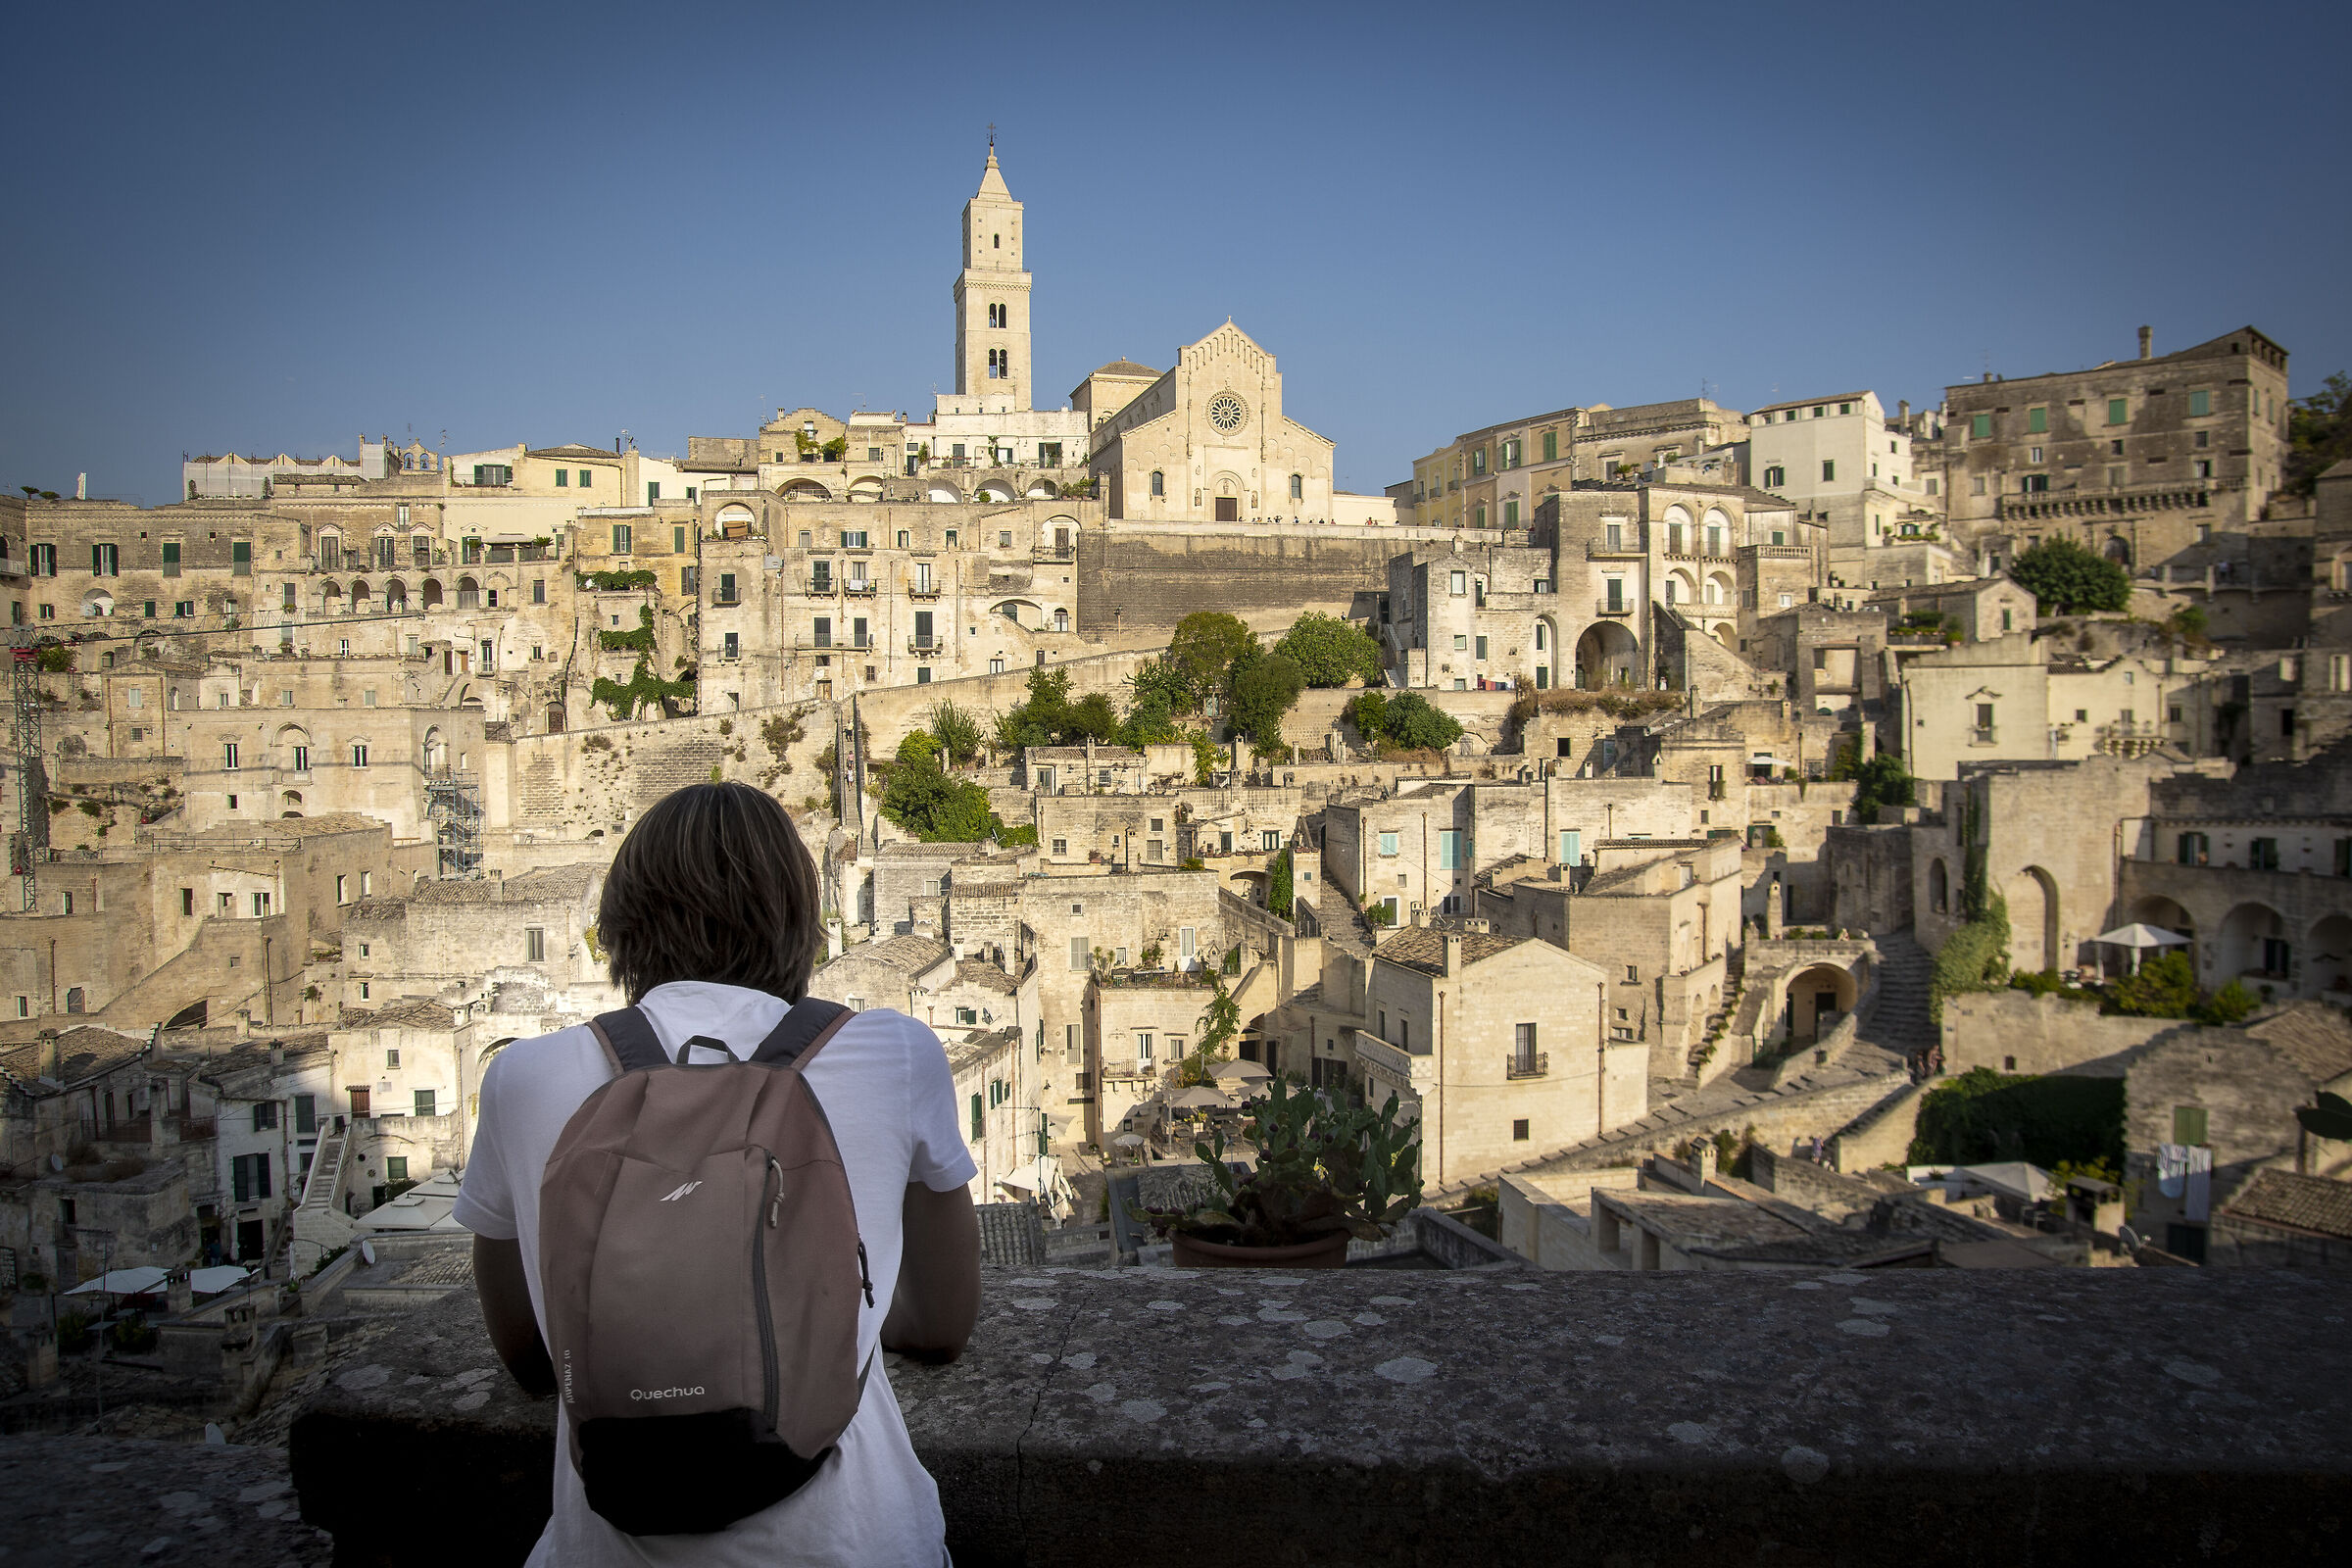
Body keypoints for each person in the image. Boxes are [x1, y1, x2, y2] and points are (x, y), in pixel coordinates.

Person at [455, 783, 981, 1566]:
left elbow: (531, 1353)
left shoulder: (522, 1079)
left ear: (621, 924)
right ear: (801, 921)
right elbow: (941, 1327)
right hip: (857, 1544)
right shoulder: (895, 1054)